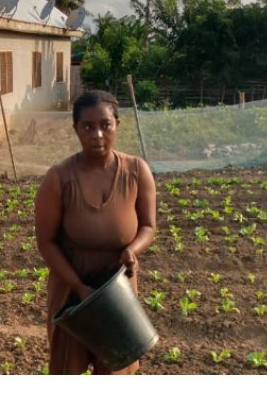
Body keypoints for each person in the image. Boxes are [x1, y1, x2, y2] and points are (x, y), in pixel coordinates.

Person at [35, 90, 157, 375]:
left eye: (105, 125)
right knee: (68, 370)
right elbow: (46, 242)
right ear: (76, 129)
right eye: (87, 127)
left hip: (118, 289)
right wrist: (78, 286)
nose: (97, 135)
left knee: (116, 369)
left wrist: (132, 250)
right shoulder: (59, 177)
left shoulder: (137, 171)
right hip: (71, 291)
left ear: (117, 124)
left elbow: (148, 226)